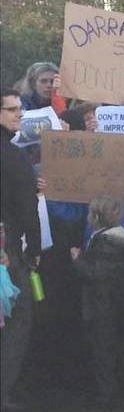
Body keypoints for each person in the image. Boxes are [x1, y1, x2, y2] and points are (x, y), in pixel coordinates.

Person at [69, 197, 124, 405]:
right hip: (119, 301)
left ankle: (105, 395)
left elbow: (96, 273)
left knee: (102, 351)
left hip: (103, 304)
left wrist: (77, 260)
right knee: (115, 347)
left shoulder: (105, 242)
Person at [0, 87, 41, 411]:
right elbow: (28, 210)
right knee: (16, 323)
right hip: (8, 255)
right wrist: (35, 250)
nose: (19, 114)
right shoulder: (14, 157)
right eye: (12, 109)